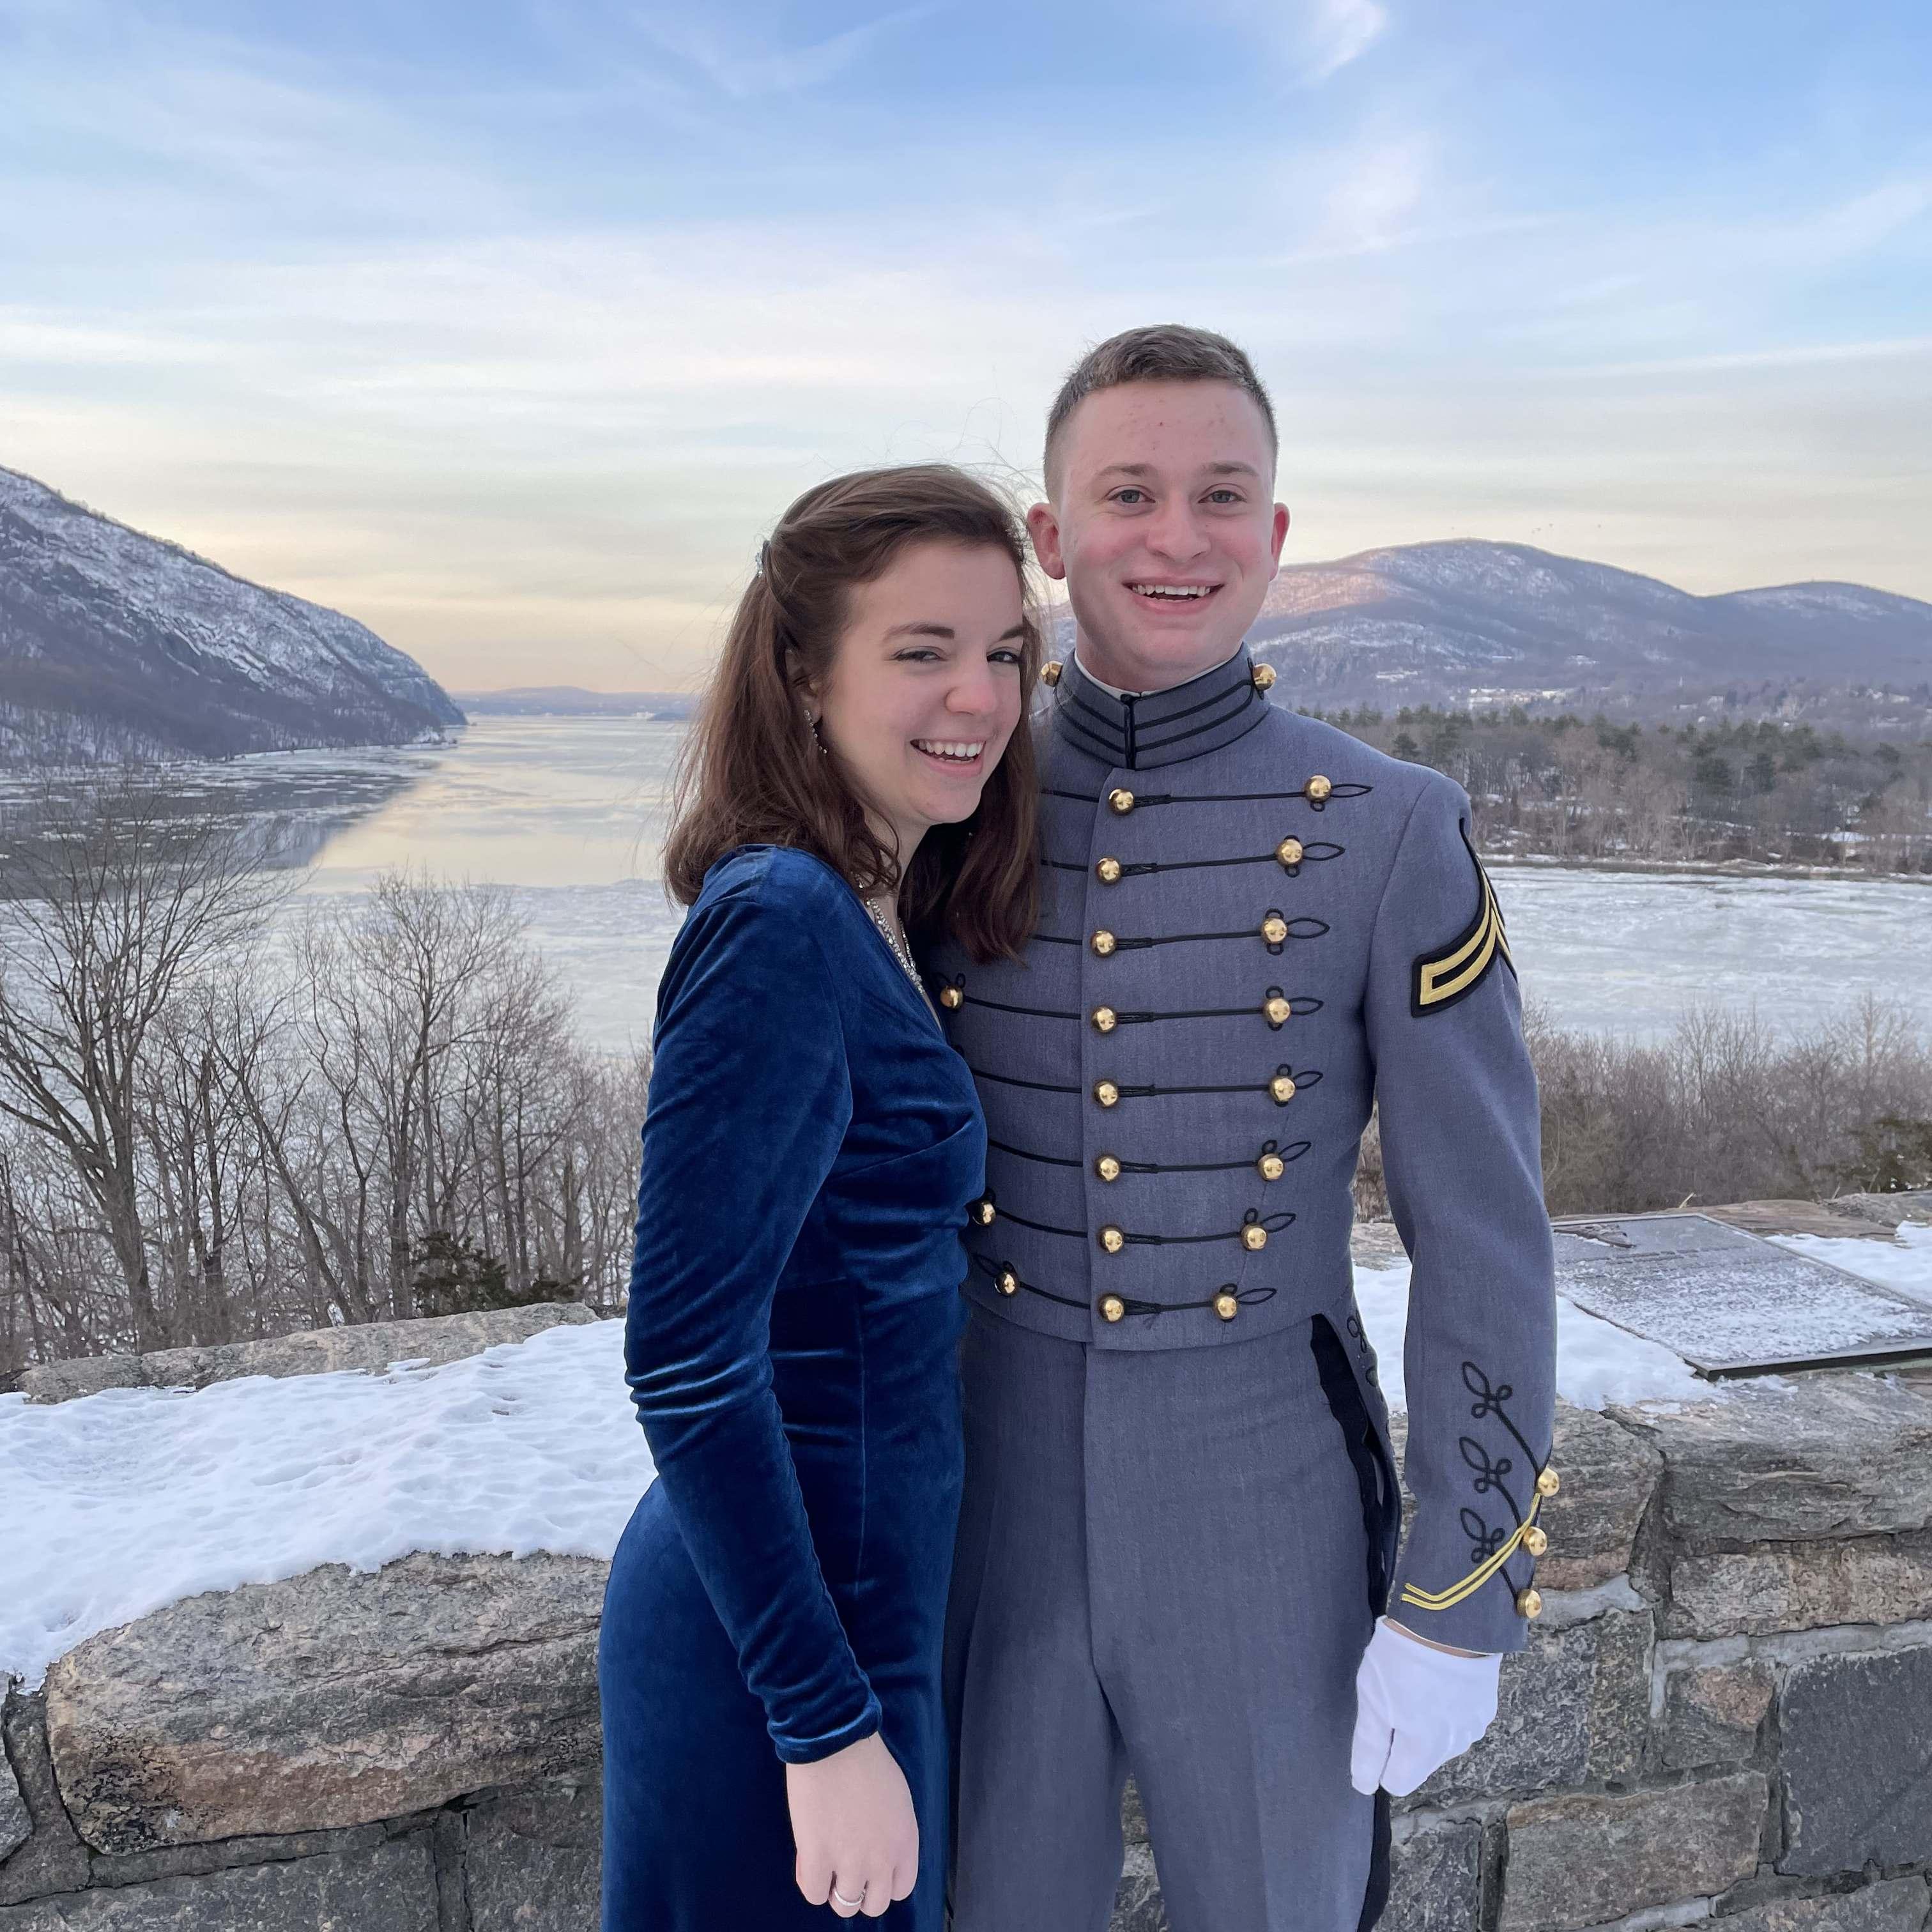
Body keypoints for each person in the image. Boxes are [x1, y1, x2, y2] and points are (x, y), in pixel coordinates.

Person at [928, 326, 1559, 1931]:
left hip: (1262, 1494)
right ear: (1051, 541)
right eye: (1128, 492)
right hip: (981, 1486)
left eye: (1223, 493)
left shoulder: (1391, 826)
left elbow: (1484, 1238)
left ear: (1277, 536)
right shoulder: (946, 800)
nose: (1178, 534)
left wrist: (1461, 1597)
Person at [599, 465, 1041, 1929]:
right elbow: (684, 1354)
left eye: (1004, 653)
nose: (976, 695)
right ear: (802, 676)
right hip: (786, 1656)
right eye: (921, 651)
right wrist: (823, 1729)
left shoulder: (874, 907)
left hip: (860, 1616)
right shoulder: (780, 921)